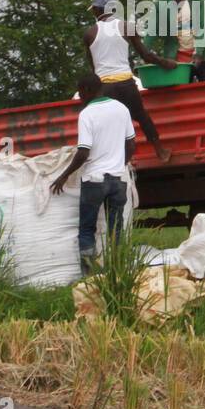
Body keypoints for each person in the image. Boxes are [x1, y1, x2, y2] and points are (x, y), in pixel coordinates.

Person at [51, 73, 136, 273]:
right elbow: (131, 144)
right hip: (117, 181)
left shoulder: (87, 114)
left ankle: (89, 276)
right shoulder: (121, 108)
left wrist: (64, 176)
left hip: (94, 181)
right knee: (116, 230)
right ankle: (118, 271)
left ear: (88, 90)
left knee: (87, 229)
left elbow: (83, 152)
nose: (80, 98)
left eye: (80, 93)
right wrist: (119, 165)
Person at [84, 0, 176, 163]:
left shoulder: (89, 34)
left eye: (94, 10)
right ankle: (160, 152)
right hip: (126, 83)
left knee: (111, 126)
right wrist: (166, 63)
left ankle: (118, 160)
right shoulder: (126, 26)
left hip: (104, 87)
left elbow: (93, 67)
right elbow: (146, 55)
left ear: (98, 10)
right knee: (141, 116)